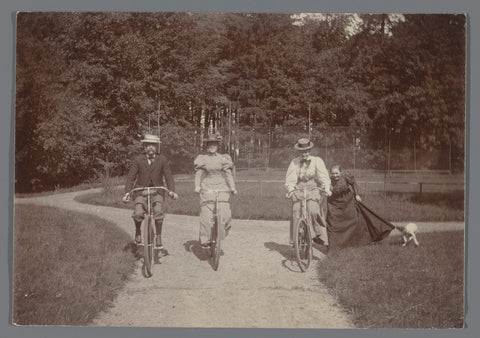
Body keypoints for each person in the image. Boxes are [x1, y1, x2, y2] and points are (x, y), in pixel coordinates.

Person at [123, 134, 178, 248]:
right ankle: (138, 231)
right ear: (144, 147)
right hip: (140, 191)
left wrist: (171, 191)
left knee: (158, 211)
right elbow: (130, 177)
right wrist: (127, 192)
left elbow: (168, 176)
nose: (151, 148)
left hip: (157, 191)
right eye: (148, 145)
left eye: (153, 145)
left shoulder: (162, 159)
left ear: (157, 147)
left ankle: (158, 236)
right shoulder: (138, 160)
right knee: (138, 213)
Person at [327, 164, 394, 252]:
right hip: (334, 204)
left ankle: (352, 242)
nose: (335, 176)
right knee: (333, 223)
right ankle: (334, 247)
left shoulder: (346, 176)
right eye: (333, 174)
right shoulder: (327, 180)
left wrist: (357, 194)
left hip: (348, 201)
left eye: (337, 173)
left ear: (341, 172)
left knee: (354, 221)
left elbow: (353, 183)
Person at [285, 138, 331, 247]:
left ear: (310, 150)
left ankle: (318, 234)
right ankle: (296, 240)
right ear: (299, 151)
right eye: (302, 151)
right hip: (299, 189)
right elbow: (290, 179)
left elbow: (323, 176)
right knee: (296, 211)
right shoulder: (294, 162)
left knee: (313, 209)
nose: (304, 153)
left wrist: (326, 188)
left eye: (306, 151)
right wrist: (290, 190)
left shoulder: (317, 160)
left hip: (313, 188)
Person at [194, 134, 237, 249]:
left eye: (214, 144)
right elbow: (198, 174)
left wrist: (232, 187)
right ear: (207, 145)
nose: (212, 146)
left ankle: (220, 234)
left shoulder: (223, 158)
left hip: (221, 185)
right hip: (207, 185)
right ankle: (206, 239)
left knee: (226, 214)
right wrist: (197, 186)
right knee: (206, 215)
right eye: (210, 144)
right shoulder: (202, 158)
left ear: (217, 145)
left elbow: (228, 174)